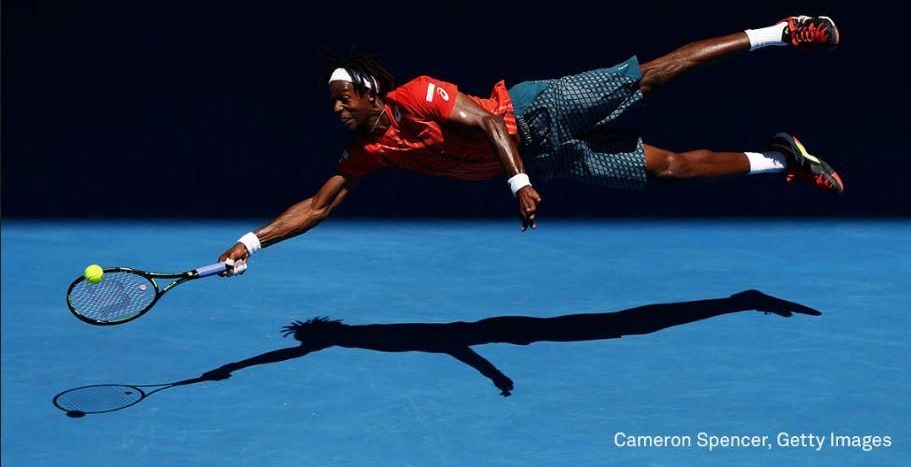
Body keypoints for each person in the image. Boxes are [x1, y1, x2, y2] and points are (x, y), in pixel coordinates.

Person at [218, 16, 842, 274]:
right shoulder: (368, 153)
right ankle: (784, 158)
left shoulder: (413, 94)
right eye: (332, 104)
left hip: (536, 110)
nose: (335, 110)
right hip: (546, 158)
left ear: (370, 94)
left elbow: (490, 126)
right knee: (670, 169)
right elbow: (318, 206)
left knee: (648, 76)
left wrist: (517, 184)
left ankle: (782, 31)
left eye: (340, 99)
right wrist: (250, 243)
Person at [200, 289, 821, 397]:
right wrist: (234, 365)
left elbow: (450, 346)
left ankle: (740, 300)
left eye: (316, 336)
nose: (315, 340)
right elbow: (291, 351)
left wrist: (492, 375)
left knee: (629, 323)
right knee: (625, 322)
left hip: (509, 334)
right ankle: (737, 302)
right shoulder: (353, 340)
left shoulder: (365, 339)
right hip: (507, 333)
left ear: (325, 335)